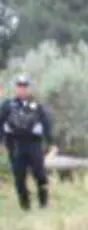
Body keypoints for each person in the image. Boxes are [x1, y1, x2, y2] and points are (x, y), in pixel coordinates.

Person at [0, 74, 55, 210]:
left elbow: (46, 124)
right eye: (19, 87)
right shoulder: (8, 106)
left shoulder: (37, 106)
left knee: (40, 175)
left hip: (34, 145)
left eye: (25, 87)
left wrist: (52, 143)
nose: (22, 90)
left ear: (29, 89)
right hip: (16, 146)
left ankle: (44, 203)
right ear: (16, 89)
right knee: (19, 177)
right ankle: (25, 206)